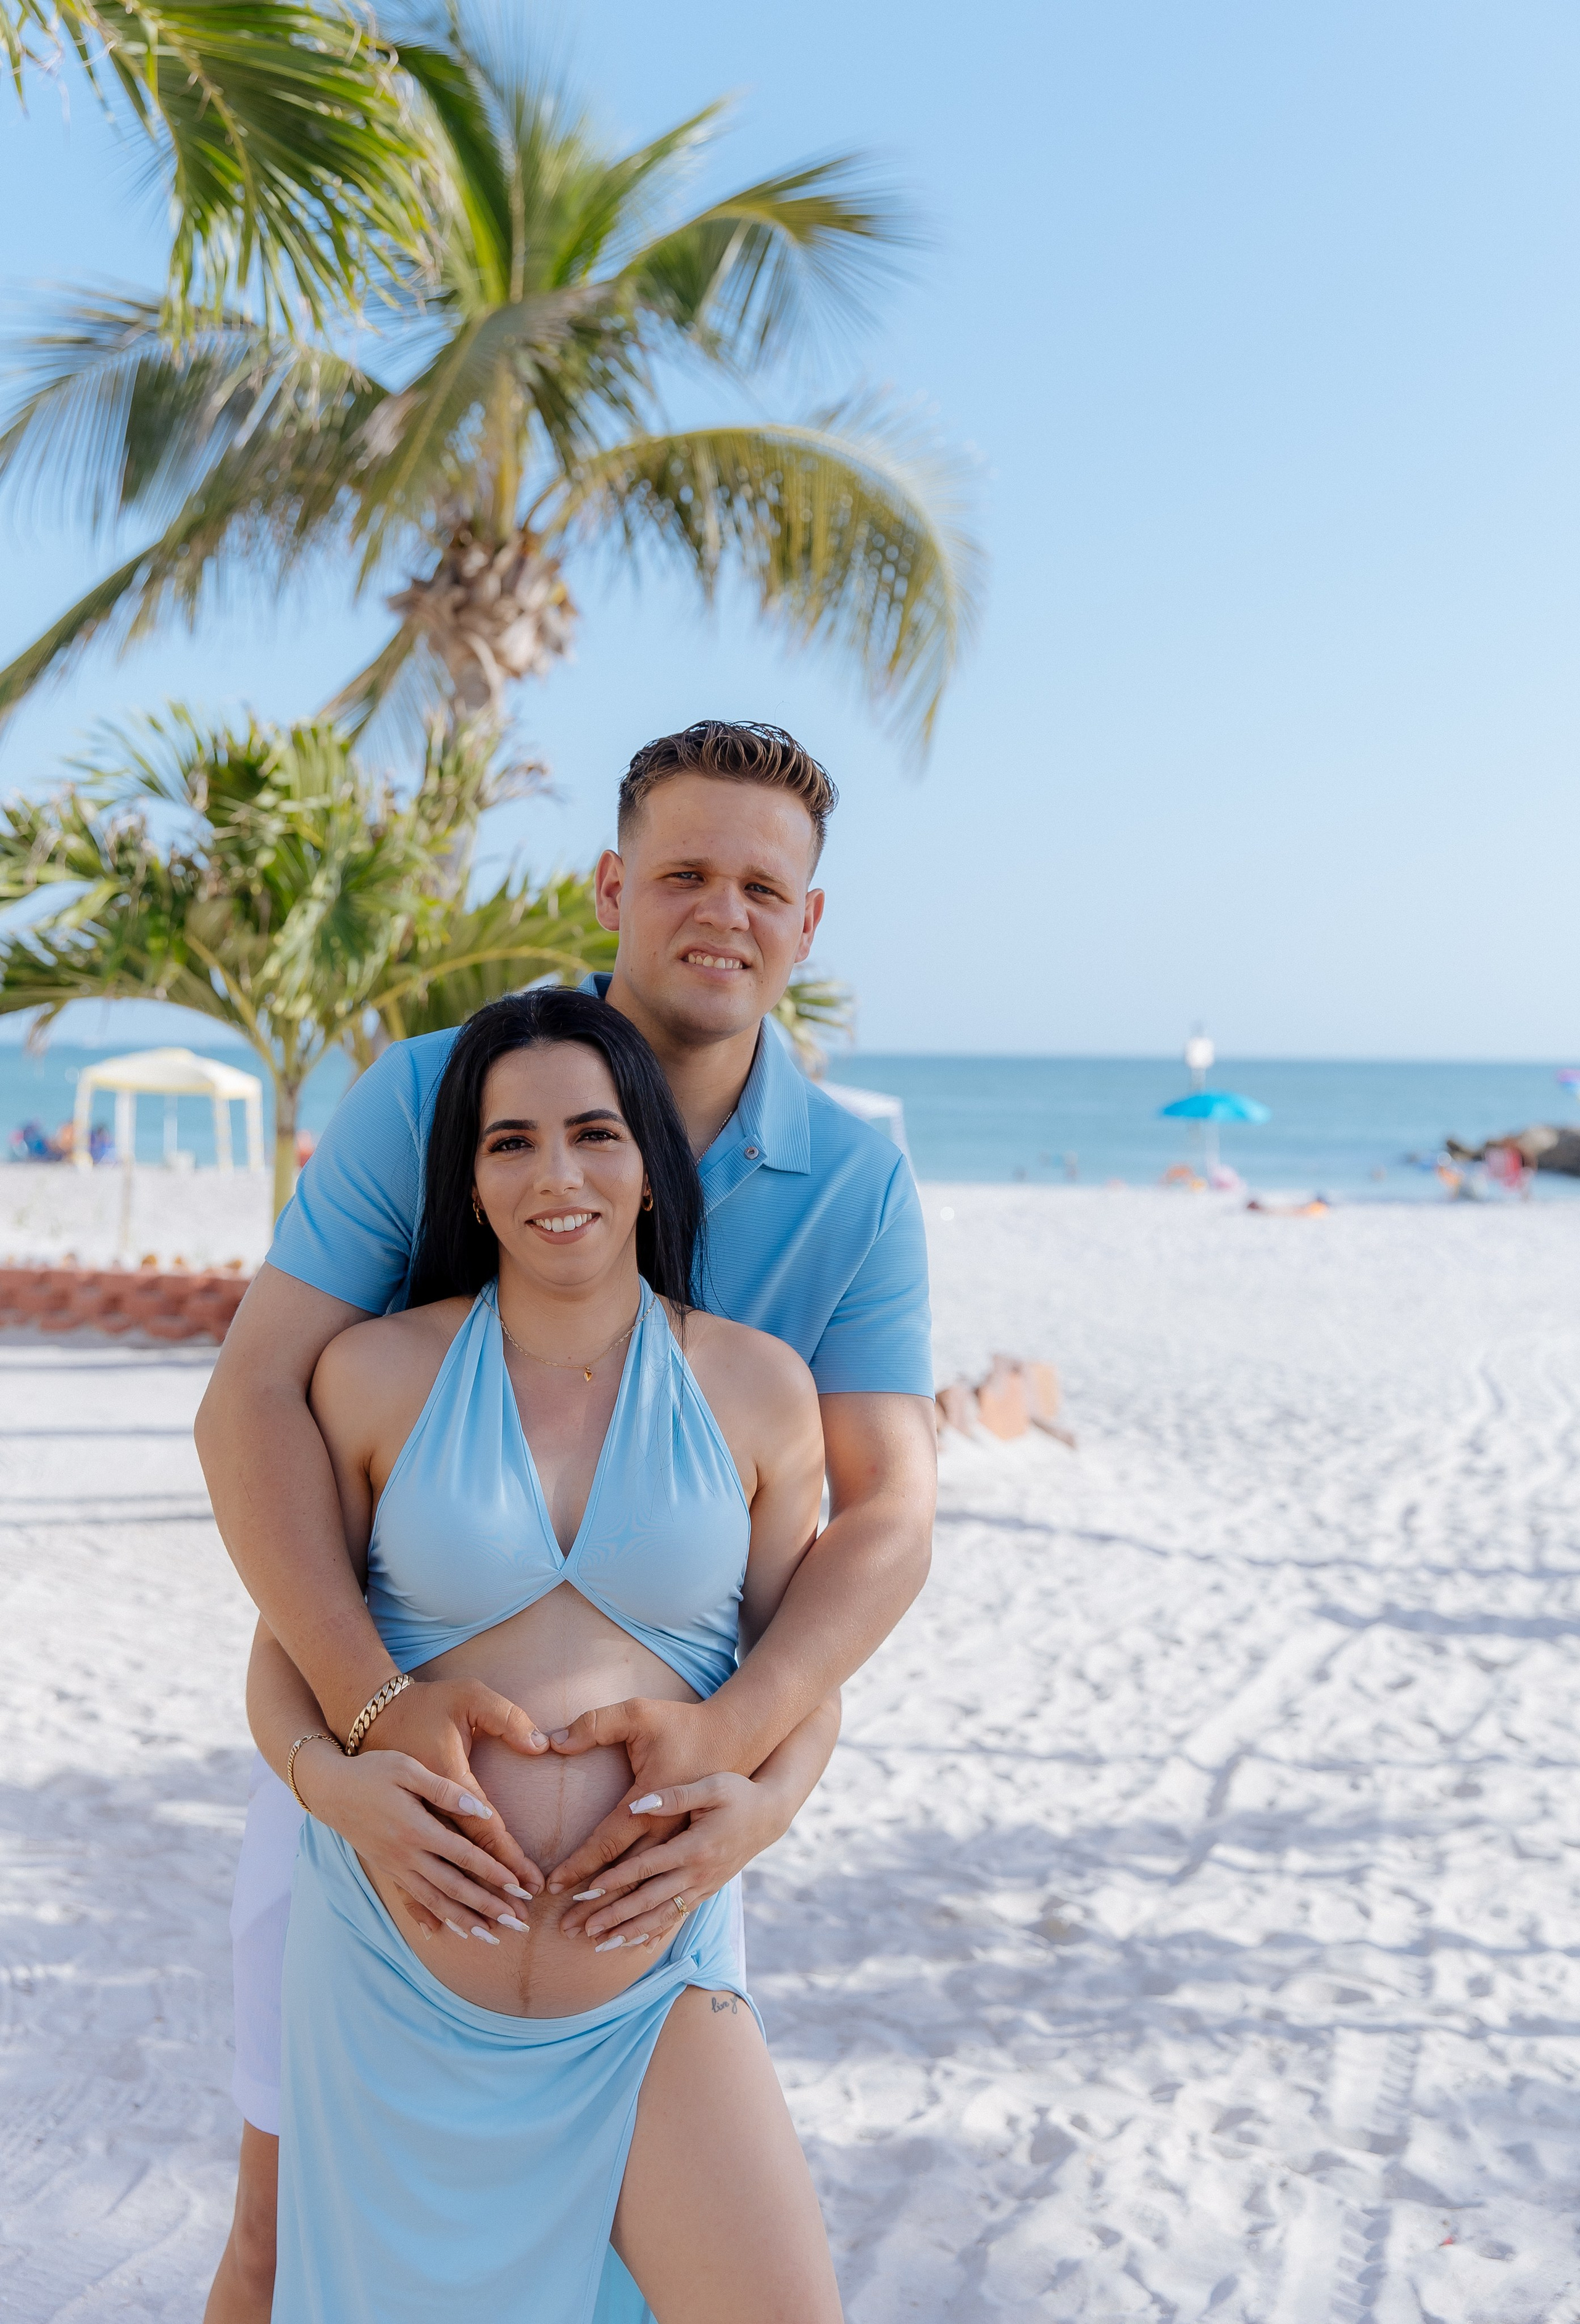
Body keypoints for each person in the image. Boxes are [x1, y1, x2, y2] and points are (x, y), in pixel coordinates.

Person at [196, 720, 938, 2319]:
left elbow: (881, 1517)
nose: (719, 911)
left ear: (810, 922)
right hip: (366, 1797)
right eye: (681, 871)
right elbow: (252, 1402)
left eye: (761, 883)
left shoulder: (854, 1184)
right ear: (611, 884)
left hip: (665, 1860)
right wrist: (364, 1721)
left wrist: (751, 1750)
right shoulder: (436, 1096)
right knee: (270, 2249)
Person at [268, 989, 840, 2321]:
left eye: (593, 1132)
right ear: (467, 1181)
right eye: (508, 1140)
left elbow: (802, 1669)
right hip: (385, 1981)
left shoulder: (758, 1387)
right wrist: (332, 1782)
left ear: (650, 1162)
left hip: (652, 1987)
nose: (557, 1173)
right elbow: (285, 1653)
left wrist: (764, 1808)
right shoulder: (371, 1373)